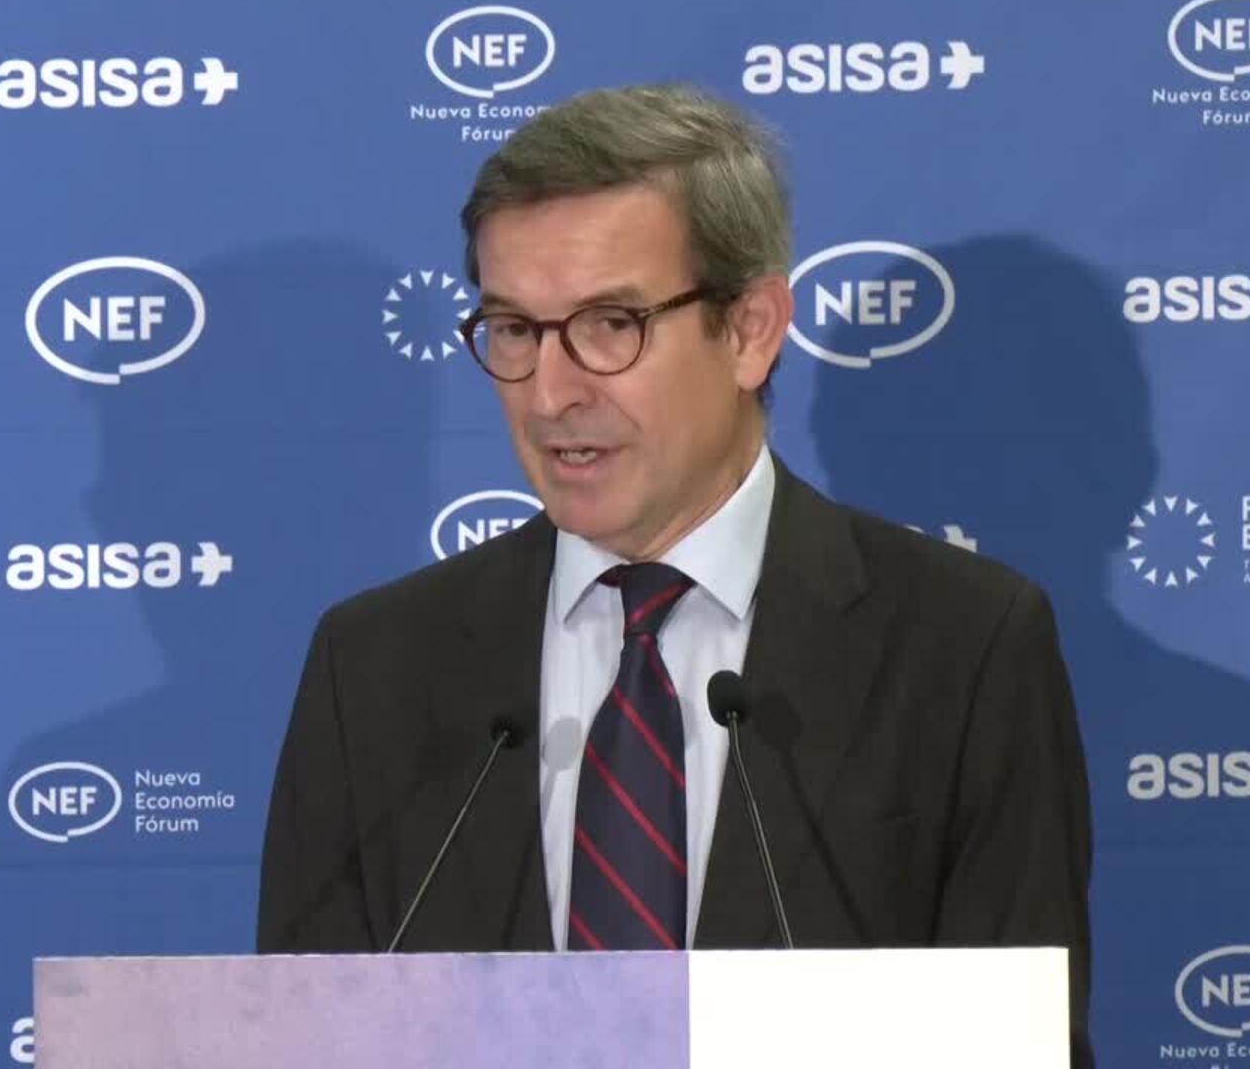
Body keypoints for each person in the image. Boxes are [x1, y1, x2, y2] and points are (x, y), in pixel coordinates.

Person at [258, 83, 1093, 1064]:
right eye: (515, 330)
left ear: (750, 330)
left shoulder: (964, 648)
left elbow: (1025, 1046)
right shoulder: (373, 667)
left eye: (611, 324)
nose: (551, 393)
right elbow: (298, 1042)